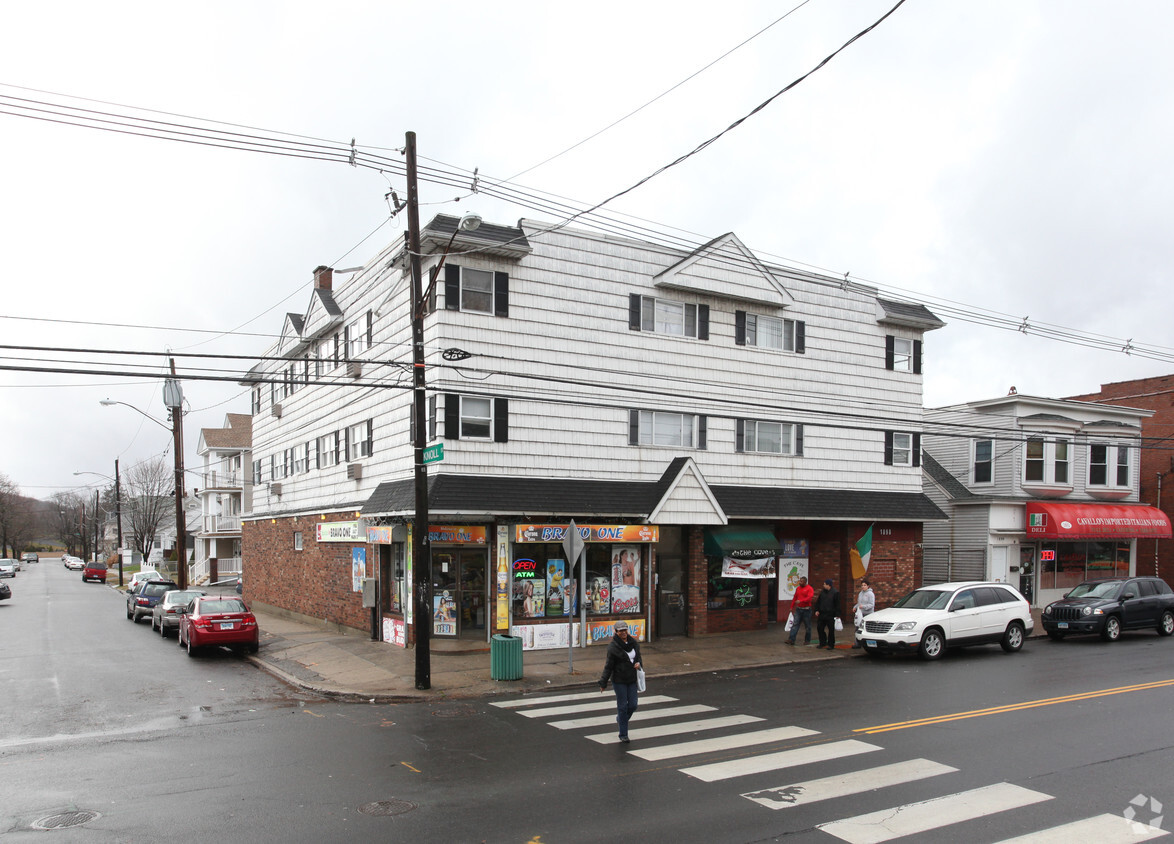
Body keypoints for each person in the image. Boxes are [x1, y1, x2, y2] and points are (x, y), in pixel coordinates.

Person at [598, 619, 643, 743]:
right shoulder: (613, 647)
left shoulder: (633, 643)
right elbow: (608, 666)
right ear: (616, 632)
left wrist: (639, 665)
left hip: (632, 679)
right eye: (620, 631)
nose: (623, 632)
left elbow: (638, 658)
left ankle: (620, 719)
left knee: (633, 705)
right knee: (622, 706)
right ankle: (623, 734)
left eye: (625, 630)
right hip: (619, 680)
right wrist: (603, 683)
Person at [785, 576, 814, 646]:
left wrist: (801, 601)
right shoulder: (798, 588)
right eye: (799, 581)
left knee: (807, 626)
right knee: (795, 624)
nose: (799, 582)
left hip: (807, 609)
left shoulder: (809, 588)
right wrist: (791, 606)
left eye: (801, 581)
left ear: (805, 582)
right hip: (799, 609)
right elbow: (795, 597)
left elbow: (809, 598)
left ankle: (807, 640)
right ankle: (791, 639)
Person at [814, 578, 841, 649]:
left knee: (831, 630)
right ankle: (822, 642)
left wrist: (838, 614)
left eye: (824, 584)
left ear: (828, 585)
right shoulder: (822, 592)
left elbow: (838, 604)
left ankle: (831, 644)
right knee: (820, 628)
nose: (823, 585)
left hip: (831, 614)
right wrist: (817, 610)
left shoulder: (835, 593)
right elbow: (818, 602)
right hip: (822, 613)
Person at [851, 577, 876, 648]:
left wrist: (864, 606)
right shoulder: (860, 593)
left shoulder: (870, 594)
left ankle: (869, 643)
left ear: (868, 586)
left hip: (868, 613)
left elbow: (871, 605)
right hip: (860, 613)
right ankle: (857, 643)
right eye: (862, 585)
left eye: (865, 585)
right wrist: (855, 607)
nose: (863, 587)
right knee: (857, 628)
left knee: (866, 629)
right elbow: (859, 603)